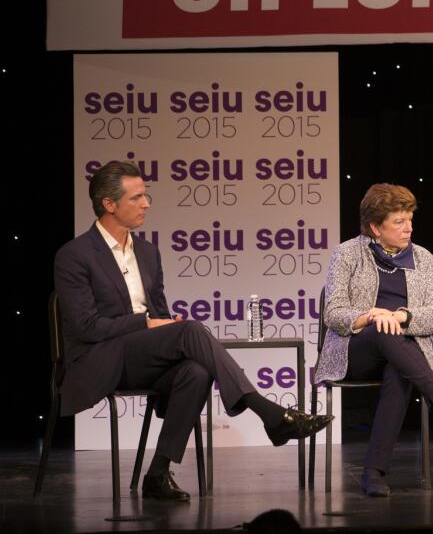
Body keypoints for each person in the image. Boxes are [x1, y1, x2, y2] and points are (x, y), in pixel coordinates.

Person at [53, 161, 332, 502]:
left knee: (196, 371)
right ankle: (269, 413)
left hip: (141, 356)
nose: (147, 204)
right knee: (189, 330)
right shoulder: (75, 255)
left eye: (146, 195)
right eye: (137, 197)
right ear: (109, 204)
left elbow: (161, 314)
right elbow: (86, 327)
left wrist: (156, 325)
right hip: (100, 359)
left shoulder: (147, 251)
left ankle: (157, 473)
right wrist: (144, 324)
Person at [315, 183, 433, 497]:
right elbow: (333, 312)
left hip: (402, 356)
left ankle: (373, 472)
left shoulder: (423, 258)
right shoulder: (347, 254)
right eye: (399, 222)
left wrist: (400, 316)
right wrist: (373, 316)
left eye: (410, 220)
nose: (408, 228)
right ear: (376, 227)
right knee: (381, 330)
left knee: (398, 367)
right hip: (354, 351)